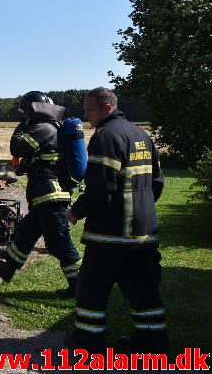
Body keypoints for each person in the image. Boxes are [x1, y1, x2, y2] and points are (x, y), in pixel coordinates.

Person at [67, 88, 168, 354]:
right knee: (144, 292)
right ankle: (152, 344)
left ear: (106, 108)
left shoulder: (105, 137)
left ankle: (87, 345)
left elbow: (100, 189)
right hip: (144, 233)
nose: (85, 115)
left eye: (89, 110)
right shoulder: (141, 135)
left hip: (111, 236)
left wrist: (76, 211)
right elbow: (157, 183)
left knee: (91, 290)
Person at [0, 91, 82, 298]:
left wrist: (22, 125)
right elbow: (42, 159)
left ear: (35, 110)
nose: (25, 115)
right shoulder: (48, 128)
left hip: (51, 197)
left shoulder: (44, 128)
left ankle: (80, 286)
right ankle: (7, 269)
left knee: (59, 243)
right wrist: (27, 167)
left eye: (27, 111)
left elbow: (16, 147)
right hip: (44, 197)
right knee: (25, 233)